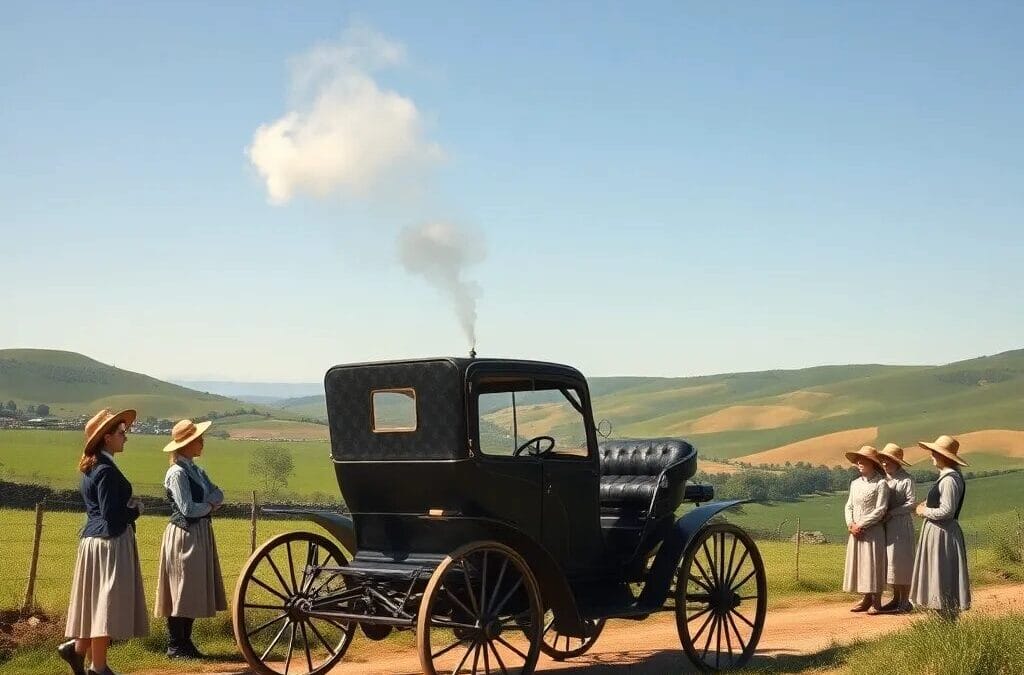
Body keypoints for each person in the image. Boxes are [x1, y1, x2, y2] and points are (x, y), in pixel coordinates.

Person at [58, 409, 149, 675]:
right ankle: (97, 667)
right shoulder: (106, 470)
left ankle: (76, 649)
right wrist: (136, 510)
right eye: (122, 433)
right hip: (109, 544)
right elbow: (112, 516)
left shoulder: (92, 466)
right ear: (107, 438)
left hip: (92, 542)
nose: (126, 438)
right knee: (103, 606)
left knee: (95, 603)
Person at [154, 419, 227, 659]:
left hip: (200, 533)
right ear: (186, 444)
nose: (202, 442)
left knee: (192, 588)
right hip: (184, 534)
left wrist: (208, 503)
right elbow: (187, 509)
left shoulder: (196, 470)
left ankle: (186, 643)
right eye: (198, 439)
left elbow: (219, 492)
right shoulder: (177, 473)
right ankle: (176, 645)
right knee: (181, 589)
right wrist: (210, 504)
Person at [910, 435, 971, 620]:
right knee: (938, 573)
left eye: (935, 452)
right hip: (938, 532)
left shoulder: (950, 480)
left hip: (943, 534)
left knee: (942, 574)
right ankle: (940, 617)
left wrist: (923, 511)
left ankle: (945, 618)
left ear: (944, 456)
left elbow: (947, 511)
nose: (932, 455)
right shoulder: (946, 478)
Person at [842, 445, 890, 614]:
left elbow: (881, 509)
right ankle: (866, 598)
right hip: (855, 531)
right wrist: (851, 524)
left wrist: (861, 524)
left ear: (872, 463)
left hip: (872, 531)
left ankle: (876, 600)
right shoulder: (854, 484)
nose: (859, 463)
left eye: (863, 460)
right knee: (861, 565)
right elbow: (849, 505)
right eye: (858, 460)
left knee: (873, 564)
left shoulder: (881, 483)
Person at [877, 443, 915, 613]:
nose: (885, 463)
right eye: (883, 460)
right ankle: (895, 598)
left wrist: (893, 512)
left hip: (900, 525)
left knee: (902, 562)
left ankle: (905, 601)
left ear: (897, 462)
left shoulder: (906, 480)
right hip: (885, 525)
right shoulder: (882, 479)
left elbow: (911, 503)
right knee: (890, 562)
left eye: (889, 460)